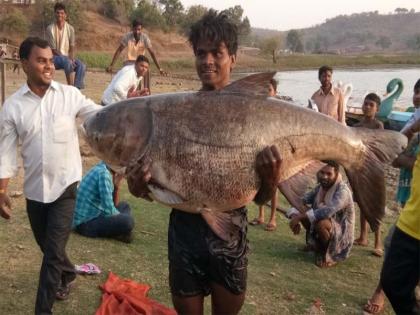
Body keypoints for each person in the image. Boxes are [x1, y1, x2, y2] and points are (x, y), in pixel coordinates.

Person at [125, 11, 282, 315]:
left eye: (217, 52)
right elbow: (150, 190)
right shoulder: (176, 112)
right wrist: (138, 186)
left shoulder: (253, 115)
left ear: (233, 58)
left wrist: (272, 179)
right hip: (184, 235)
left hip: (231, 233)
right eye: (200, 53)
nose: (208, 60)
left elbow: (260, 197)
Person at [0, 37, 101, 315]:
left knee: (51, 255)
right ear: (24, 64)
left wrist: (126, 109)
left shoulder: (69, 95)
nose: (48, 66)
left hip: (66, 186)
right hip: (35, 191)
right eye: (41, 60)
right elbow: (6, 154)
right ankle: (68, 274)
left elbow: (97, 114)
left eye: (50, 61)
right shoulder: (12, 107)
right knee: (49, 249)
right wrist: (1, 191)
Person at [364, 79, 420, 315]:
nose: (418, 97)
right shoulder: (415, 120)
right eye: (417, 91)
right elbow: (394, 154)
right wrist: (413, 129)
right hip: (411, 212)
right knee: (393, 279)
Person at [287, 161, 355, 268]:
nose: (324, 176)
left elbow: (327, 211)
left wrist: (301, 216)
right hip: (325, 224)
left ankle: (327, 255)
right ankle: (315, 246)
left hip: (341, 234)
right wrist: (294, 216)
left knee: (321, 223)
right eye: (322, 172)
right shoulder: (320, 188)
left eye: (328, 174)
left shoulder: (343, 191)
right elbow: (301, 201)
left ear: (336, 173)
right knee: (304, 211)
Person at [353, 93, 384, 257]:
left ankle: (378, 241)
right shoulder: (357, 126)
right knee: (362, 202)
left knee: (373, 203)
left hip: (373, 169)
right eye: (365, 104)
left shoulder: (378, 126)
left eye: (371, 105)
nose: (367, 107)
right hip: (359, 168)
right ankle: (363, 236)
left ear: (377, 109)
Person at [73, 161, 135, 243]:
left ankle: (120, 232)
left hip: (94, 214)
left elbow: (112, 205)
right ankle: (121, 232)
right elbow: (109, 209)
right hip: (85, 224)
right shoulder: (103, 174)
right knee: (128, 221)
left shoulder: (102, 167)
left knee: (125, 205)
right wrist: (121, 220)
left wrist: (116, 186)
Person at [249, 78, 281, 232]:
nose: (265, 93)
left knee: (274, 186)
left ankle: (273, 217)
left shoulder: (280, 110)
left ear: (275, 92)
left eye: (268, 90)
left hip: (276, 151)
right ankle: (261, 215)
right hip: (260, 149)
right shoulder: (258, 108)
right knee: (260, 183)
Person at [106, 18, 166, 85]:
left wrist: (159, 68)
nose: (137, 32)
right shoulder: (127, 37)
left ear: (141, 29)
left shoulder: (145, 38)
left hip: (140, 63)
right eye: (135, 29)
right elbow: (119, 50)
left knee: (147, 71)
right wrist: (111, 65)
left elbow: (152, 53)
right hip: (129, 63)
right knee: (130, 77)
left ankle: (147, 92)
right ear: (132, 29)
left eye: (139, 29)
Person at [46, 2, 86, 89]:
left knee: (82, 65)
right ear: (54, 14)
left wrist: (71, 58)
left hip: (67, 57)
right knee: (66, 62)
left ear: (65, 15)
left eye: (62, 13)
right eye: (57, 13)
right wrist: (67, 59)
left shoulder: (70, 29)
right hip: (54, 58)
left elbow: (72, 47)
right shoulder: (50, 29)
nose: (59, 15)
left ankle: (76, 90)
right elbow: (53, 50)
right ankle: (71, 89)